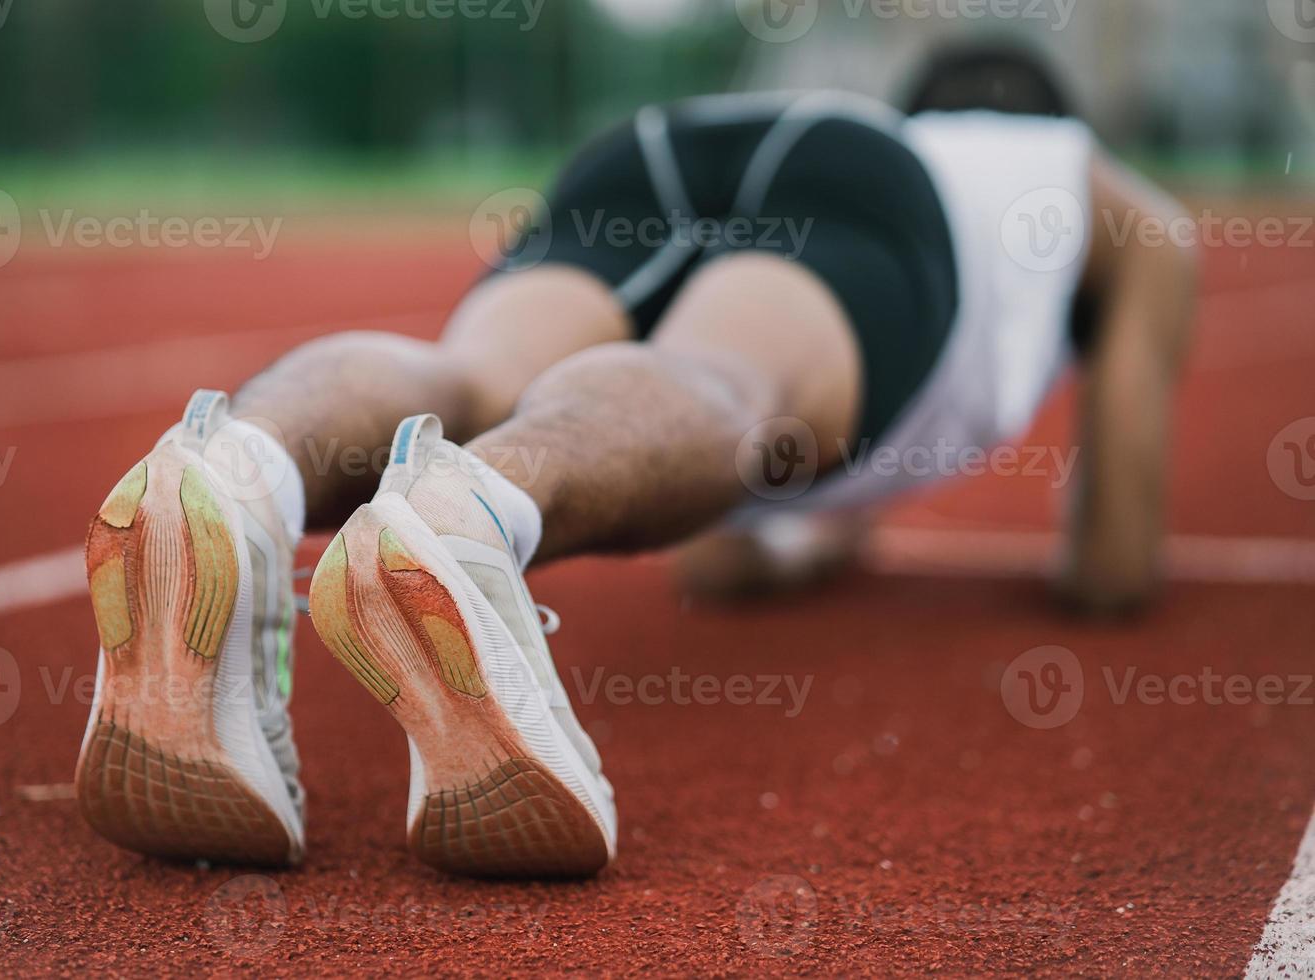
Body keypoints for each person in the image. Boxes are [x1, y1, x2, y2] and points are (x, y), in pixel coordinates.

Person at [73, 58, 1199, 877]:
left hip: (663, 145)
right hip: (861, 190)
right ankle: (474, 512)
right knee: (727, 377)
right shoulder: (1111, 202)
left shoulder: (922, 154)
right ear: (1062, 119)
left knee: (474, 372)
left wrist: (822, 528)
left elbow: (718, 552)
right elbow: (1110, 570)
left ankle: (238, 469)